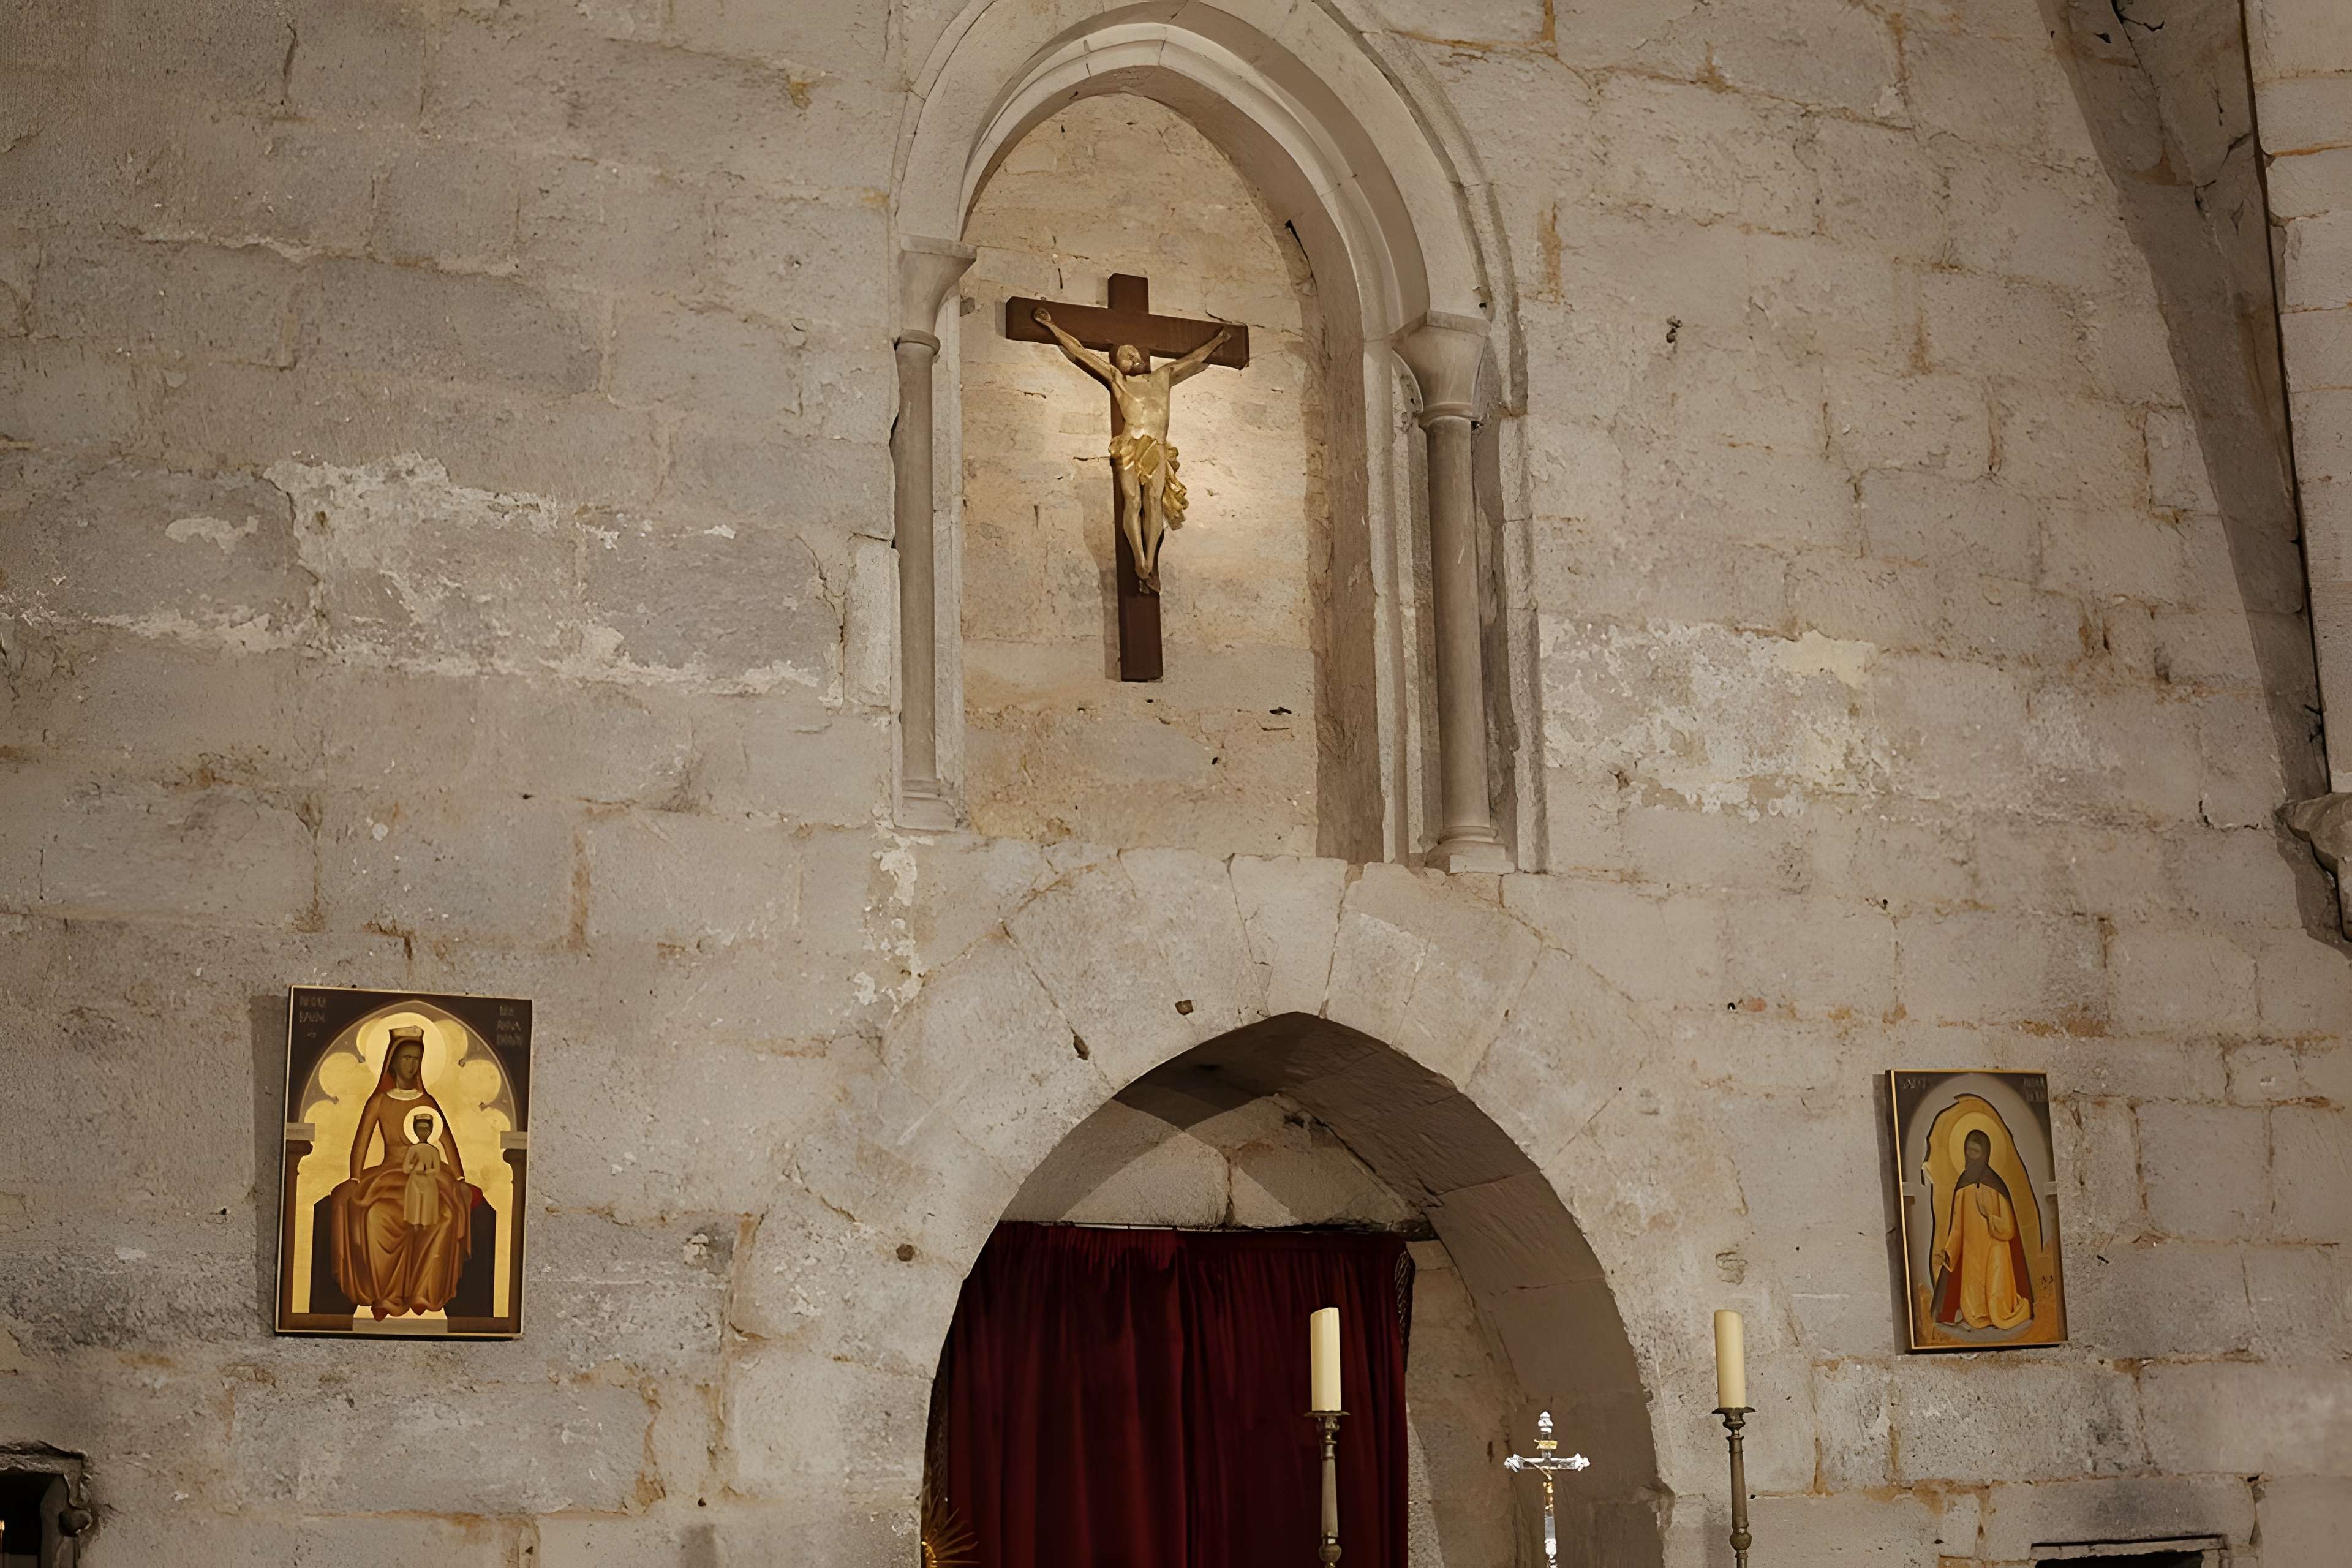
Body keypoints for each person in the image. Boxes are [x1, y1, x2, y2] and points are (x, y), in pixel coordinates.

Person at [1034, 306, 1234, 594]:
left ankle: (1149, 561)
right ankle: (1138, 559)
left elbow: (1194, 359)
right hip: (1130, 445)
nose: (1129, 358)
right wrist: (1052, 327)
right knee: (1132, 500)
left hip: (1157, 447)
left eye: (1131, 354)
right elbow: (1081, 351)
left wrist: (1218, 341)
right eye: (1124, 355)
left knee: (1153, 500)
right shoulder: (1119, 381)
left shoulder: (1163, 376)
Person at [329, 1027, 475, 1319]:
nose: (412, 1064)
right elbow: (361, 1142)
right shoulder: (380, 1102)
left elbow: (447, 1142)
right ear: (393, 1061)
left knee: (444, 1219)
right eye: (406, 1058)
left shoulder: (427, 1103)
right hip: (389, 1176)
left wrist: (459, 1179)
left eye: (417, 1059)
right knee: (375, 1217)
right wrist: (355, 1179)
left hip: (428, 1177)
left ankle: (424, 1291)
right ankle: (387, 1295)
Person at [1931, 1128, 2034, 1332]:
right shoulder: (1962, 1185)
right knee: (1974, 1306)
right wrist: (1950, 1251)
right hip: (1972, 1253)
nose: (1971, 1156)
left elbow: (2008, 1230)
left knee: (1999, 1304)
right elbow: (1958, 1226)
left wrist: (1989, 1216)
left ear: (1986, 1153)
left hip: (1996, 1250)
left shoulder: (1996, 1185)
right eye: (1969, 1150)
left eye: (1976, 1151)